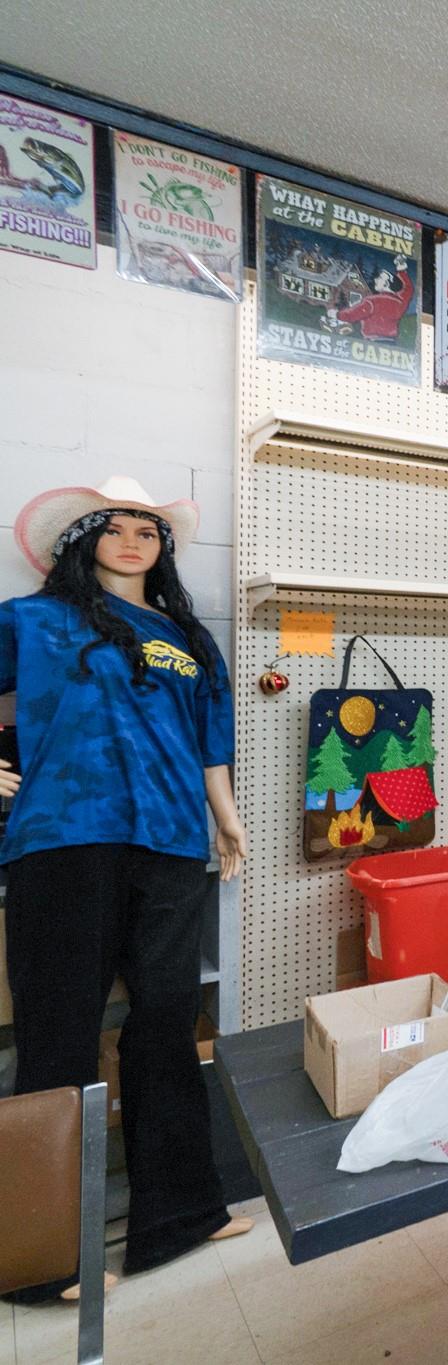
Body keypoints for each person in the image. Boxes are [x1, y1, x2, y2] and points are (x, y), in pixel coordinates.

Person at [1, 477, 252, 1299]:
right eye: (117, 523)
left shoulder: (189, 636)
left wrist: (228, 817)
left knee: (165, 1025)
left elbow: (210, 738)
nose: (136, 535)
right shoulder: (32, 619)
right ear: (83, 537)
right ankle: (42, 1261)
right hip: (65, 841)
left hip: (175, 842)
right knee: (58, 1035)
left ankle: (179, 1218)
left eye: (150, 525)